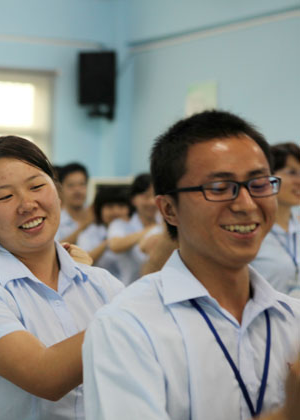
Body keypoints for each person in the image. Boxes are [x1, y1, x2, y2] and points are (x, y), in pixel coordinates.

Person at [83, 110, 300, 420]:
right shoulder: (128, 327)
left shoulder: (291, 320)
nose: (246, 204)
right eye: (219, 188)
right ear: (169, 209)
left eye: (259, 184)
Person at [0, 136, 123, 420]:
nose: (27, 204)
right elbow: (44, 376)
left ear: (57, 191)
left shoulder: (103, 285)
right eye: (5, 196)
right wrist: (138, 313)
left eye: (37, 186)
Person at [251, 142, 300, 296]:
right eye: (292, 172)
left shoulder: (297, 228)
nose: (299, 180)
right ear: (267, 177)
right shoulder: (250, 231)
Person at [106, 173, 160, 285]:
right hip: (129, 289)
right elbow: (115, 245)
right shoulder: (120, 225)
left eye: (155, 196)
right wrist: (151, 229)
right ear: (133, 200)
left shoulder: (166, 225)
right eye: (146, 196)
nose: (151, 202)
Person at [77, 186, 130, 279]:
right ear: (99, 210)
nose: (116, 211)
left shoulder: (133, 230)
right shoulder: (88, 234)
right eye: (110, 207)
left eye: (121, 206)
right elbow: (83, 262)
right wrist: (110, 241)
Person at [55, 162, 93, 244]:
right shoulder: (56, 220)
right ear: (61, 188)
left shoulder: (96, 214)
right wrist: (85, 225)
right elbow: (56, 249)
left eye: (81, 184)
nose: (77, 190)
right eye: (71, 185)